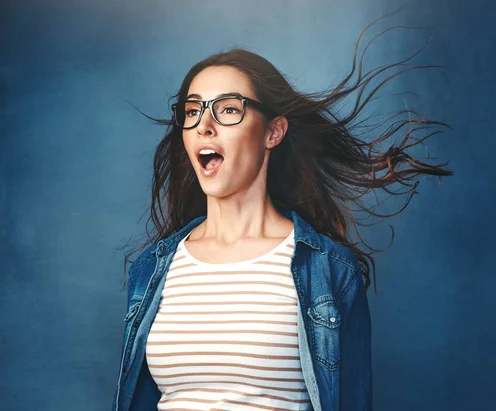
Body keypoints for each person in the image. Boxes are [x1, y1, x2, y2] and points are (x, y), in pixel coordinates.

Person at [111, 22, 452, 411]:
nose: (204, 124)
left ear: (273, 132)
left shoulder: (328, 270)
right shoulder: (153, 270)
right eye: (192, 111)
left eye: (227, 109)